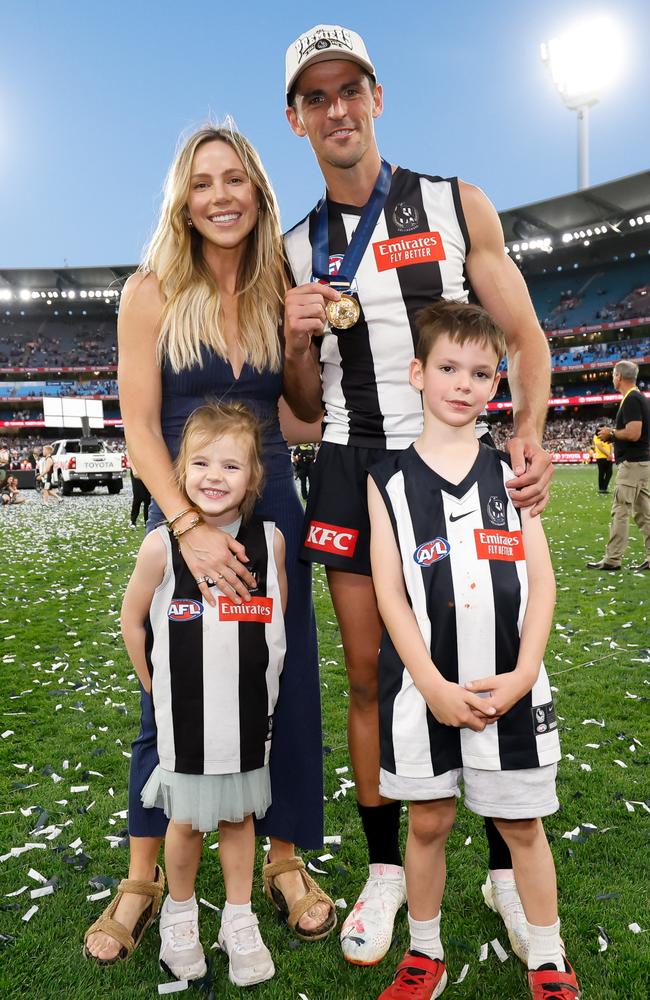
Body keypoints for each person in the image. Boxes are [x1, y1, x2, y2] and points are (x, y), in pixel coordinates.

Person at [282, 24, 553, 965]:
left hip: (457, 462)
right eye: (316, 97)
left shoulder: (452, 201)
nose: (337, 109)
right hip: (357, 468)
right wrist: (289, 336)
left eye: (350, 89)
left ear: (377, 98)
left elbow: (524, 338)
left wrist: (522, 433)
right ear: (297, 119)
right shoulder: (293, 246)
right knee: (372, 676)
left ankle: (497, 860)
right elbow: (302, 410)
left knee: (478, 653)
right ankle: (388, 867)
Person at [84, 123, 334, 965]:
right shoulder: (149, 290)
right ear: (182, 201)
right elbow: (141, 430)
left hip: (272, 516)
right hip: (186, 515)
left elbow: (303, 417)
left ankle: (285, 861)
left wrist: (301, 342)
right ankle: (144, 876)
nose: (220, 195)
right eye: (202, 183)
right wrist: (184, 528)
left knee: (283, 684)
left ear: (258, 191)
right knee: (174, 692)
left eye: (235, 179)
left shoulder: (278, 286)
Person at [369, 301, 580, 1000]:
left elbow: (543, 582)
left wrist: (523, 674)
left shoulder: (514, 473)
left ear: (495, 385)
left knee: (522, 825)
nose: (463, 383)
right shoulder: (387, 481)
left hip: (509, 688)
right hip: (423, 690)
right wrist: (428, 682)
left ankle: (547, 955)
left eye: (481, 372)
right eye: (449, 368)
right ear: (417, 373)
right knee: (428, 821)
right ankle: (424, 953)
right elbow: (390, 593)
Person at [121, 402, 286, 984]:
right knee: (185, 824)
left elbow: (275, 626)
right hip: (186, 722)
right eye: (200, 463)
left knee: (241, 818)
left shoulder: (271, 543)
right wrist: (152, 683)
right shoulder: (162, 545)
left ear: (254, 477)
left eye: (230, 465)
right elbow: (132, 619)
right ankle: (180, 913)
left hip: (245, 720)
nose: (214, 476)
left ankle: (238, 918)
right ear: (179, 469)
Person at [587, 360, 650, 572]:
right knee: (644, 514)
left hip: (632, 464)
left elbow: (633, 433)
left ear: (619, 377)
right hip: (642, 463)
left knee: (620, 510)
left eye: (613, 375)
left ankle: (612, 559)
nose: (612, 379)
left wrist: (611, 433)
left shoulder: (632, 399)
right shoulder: (638, 398)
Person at [128, 455, 151, 528]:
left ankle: (147, 521)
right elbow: (129, 453)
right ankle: (133, 520)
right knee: (137, 496)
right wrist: (134, 469)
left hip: (147, 469)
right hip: (137, 469)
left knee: (148, 497)